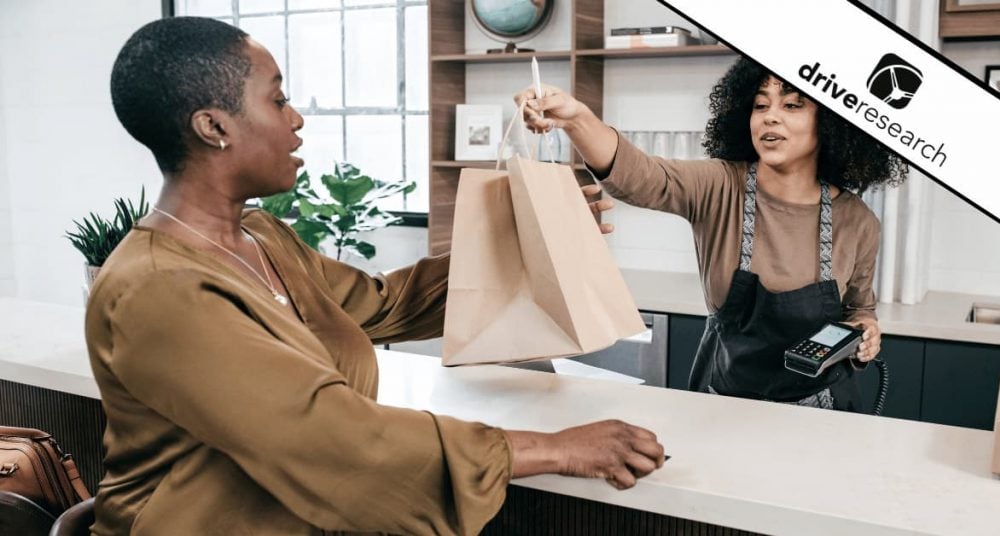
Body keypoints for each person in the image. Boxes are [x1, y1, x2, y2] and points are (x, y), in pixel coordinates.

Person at [87, 17, 664, 535]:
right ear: (214, 126)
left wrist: (531, 235)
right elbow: (328, 438)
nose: (296, 119)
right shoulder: (158, 288)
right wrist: (553, 449)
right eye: (278, 99)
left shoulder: (263, 238)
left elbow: (384, 304)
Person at [516, 57, 907, 412]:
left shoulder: (857, 221)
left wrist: (865, 332)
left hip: (824, 412)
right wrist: (577, 119)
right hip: (724, 405)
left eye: (791, 105)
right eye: (760, 104)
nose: (770, 117)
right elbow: (641, 177)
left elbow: (859, 308)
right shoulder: (720, 186)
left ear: (832, 123)